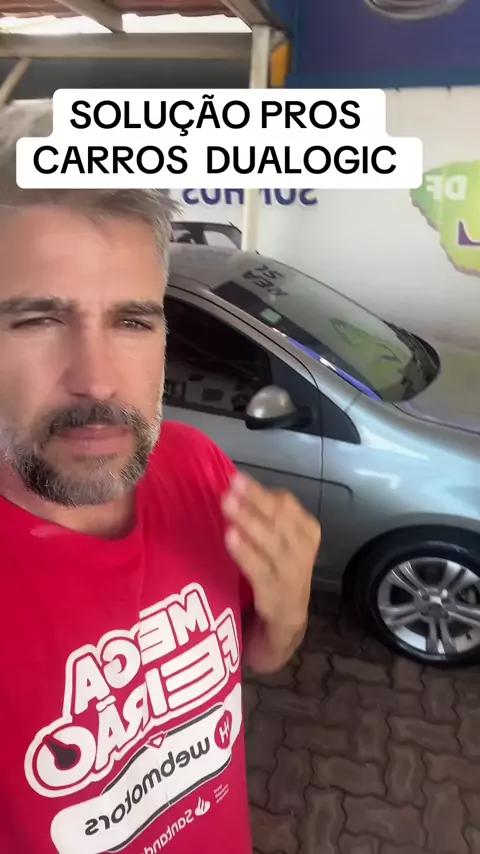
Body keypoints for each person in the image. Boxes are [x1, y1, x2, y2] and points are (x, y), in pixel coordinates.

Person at [0, 101, 321, 854]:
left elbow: (254, 658)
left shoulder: (198, 467)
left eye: (133, 321)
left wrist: (286, 618)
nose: (97, 378)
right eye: (37, 320)